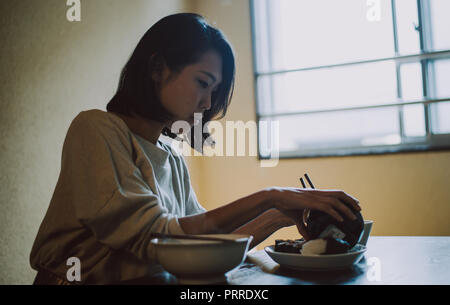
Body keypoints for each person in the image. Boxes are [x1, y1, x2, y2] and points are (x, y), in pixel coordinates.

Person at [30, 13, 361, 285]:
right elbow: (159, 239)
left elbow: (196, 245)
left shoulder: (172, 157)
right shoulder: (96, 129)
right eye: (203, 83)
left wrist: (276, 216)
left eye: (213, 90)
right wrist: (270, 195)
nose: (207, 102)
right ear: (157, 68)